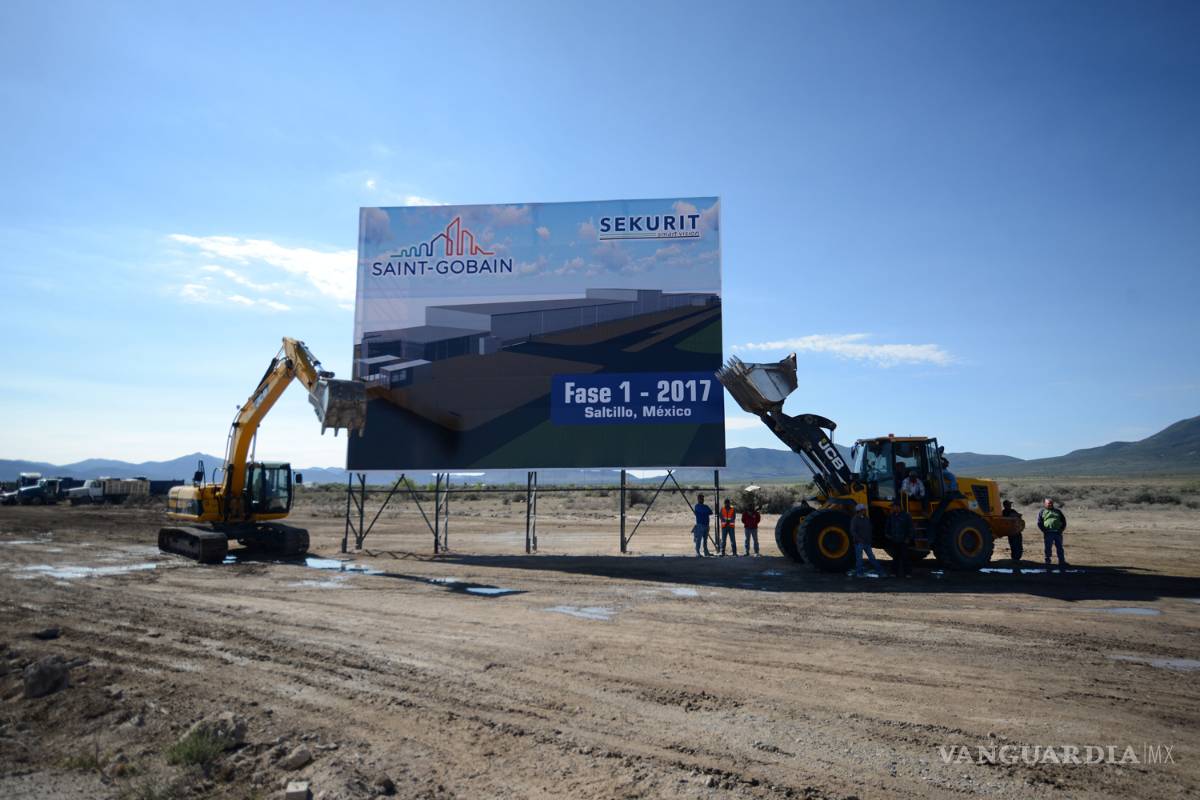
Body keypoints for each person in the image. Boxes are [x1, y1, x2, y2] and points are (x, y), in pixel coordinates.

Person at [851, 503, 885, 577]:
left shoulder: (866, 519)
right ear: (859, 511)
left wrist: (869, 539)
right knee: (859, 559)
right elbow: (853, 531)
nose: (865, 511)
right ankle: (859, 573)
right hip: (859, 543)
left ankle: (880, 572)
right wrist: (859, 539)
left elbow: (869, 529)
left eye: (865, 510)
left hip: (867, 542)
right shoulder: (855, 519)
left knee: (872, 558)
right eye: (864, 510)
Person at [884, 500, 914, 577]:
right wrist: (888, 535)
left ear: (898, 507)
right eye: (892, 507)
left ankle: (908, 573)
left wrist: (908, 538)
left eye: (893, 507)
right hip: (894, 540)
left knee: (905, 557)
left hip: (903, 541)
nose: (892, 508)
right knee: (895, 558)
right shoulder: (891, 516)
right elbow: (888, 527)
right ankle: (894, 573)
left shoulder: (906, 516)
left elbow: (910, 528)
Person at [1037, 498, 1069, 569]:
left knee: (1060, 547)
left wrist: (1061, 529)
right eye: (1048, 503)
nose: (1050, 504)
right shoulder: (1042, 512)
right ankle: (1047, 561)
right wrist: (1044, 530)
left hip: (1058, 532)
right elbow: (1039, 522)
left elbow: (1064, 521)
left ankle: (1061, 561)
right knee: (1048, 547)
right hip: (1048, 533)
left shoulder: (1058, 511)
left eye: (1051, 503)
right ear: (1045, 504)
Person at [1002, 500, 1024, 572]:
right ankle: (1015, 559)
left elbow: (1019, 517)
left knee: (1018, 545)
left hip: (1016, 531)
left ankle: (1016, 559)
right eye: (1009, 504)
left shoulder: (1012, 510)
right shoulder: (1004, 512)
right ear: (1006, 505)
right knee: (1014, 545)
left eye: (1010, 504)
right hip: (1012, 531)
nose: (1010, 505)